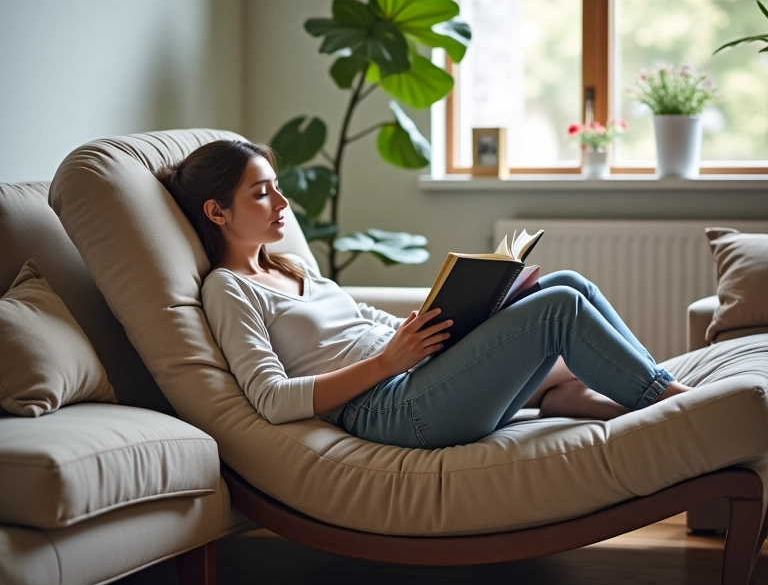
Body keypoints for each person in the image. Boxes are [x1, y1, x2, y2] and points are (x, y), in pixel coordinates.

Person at [162, 139, 694, 450]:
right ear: (216, 211)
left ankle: (657, 391)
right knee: (560, 309)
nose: (282, 201)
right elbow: (272, 401)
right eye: (262, 193)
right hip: (390, 407)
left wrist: (440, 323)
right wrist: (389, 361)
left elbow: (362, 319)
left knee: (567, 284)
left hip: (415, 376)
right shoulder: (228, 290)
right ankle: (682, 408)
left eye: (277, 185)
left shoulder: (292, 265)